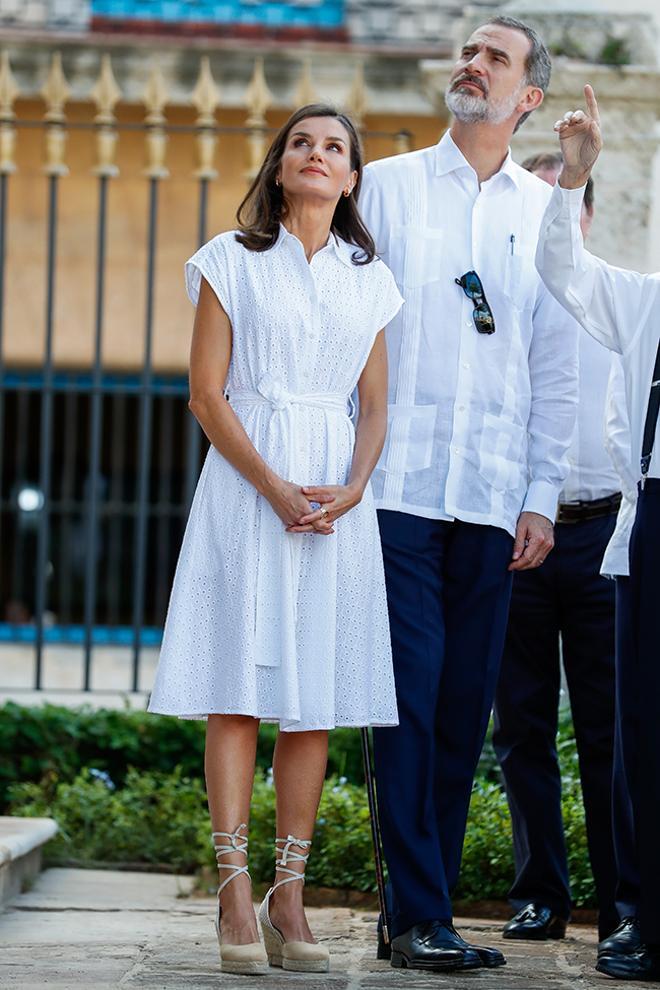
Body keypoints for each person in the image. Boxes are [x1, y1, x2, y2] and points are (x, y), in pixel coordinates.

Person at [148, 103, 403, 976]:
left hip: (337, 498)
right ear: (280, 162)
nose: (317, 154)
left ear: (353, 176)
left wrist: (355, 485)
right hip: (248, 487)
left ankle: (288, 893)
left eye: (334, 146)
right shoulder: (229, 261)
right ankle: (232, 885)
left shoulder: (372, 277)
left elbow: (373, 405)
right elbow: (207, 396)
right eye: (302, 142)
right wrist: (274, 488)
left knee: (318, 691)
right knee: (239, 684)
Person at [358, 15, 578, 973]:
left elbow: (558, 366)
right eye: (469, 50)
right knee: (404, 699)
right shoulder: (392, 187)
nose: (472, 64)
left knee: (460, 706)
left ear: (526, 99)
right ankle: (416, 914)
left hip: (490, 500)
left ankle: (423, 908)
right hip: (397, 488)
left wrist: (540, 495)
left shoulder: (547, 213)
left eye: (496, 57)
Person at [536, 83, 660, 983]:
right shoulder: (646, 298)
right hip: (651, 520)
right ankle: (640, 917)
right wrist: (572, 176)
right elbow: (563, 273)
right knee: (642, 734)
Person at [494, 153, 622, 944]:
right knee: (522, 729)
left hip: (607, 537)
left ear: (584, 216)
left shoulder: (623, 302)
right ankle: (540, 894)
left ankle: (624, 904)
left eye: (559, 204)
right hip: (519, 541)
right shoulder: (499, 307)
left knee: (615, 731)